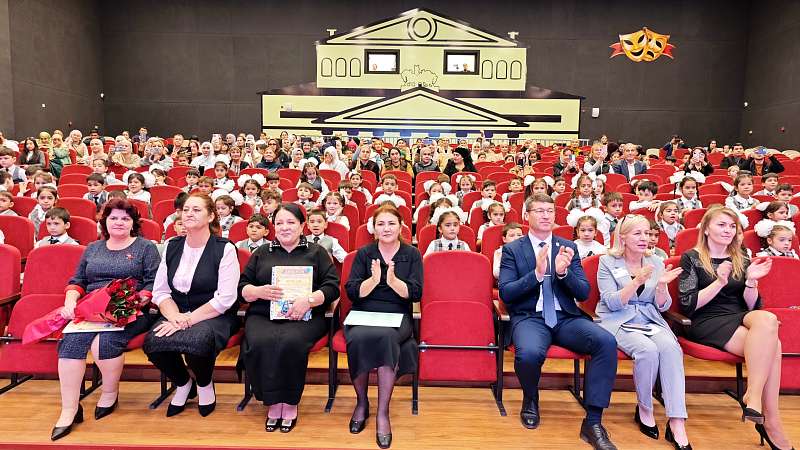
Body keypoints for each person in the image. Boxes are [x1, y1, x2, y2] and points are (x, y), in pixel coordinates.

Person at [498, 193, 618, 450]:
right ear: (526, 216)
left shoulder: (568, 247)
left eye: (550, 211)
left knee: (605, 342)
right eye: (539, 210)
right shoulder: (512, 250)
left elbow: (583, 293)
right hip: (530, 316)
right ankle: (530, 397)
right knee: (528, 353)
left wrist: (563, 273)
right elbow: (506, 293)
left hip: (565, 317)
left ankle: (593, 421)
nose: (545, 215)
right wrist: (537, 275)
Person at [679, 206, 792, 450]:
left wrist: (751, 281)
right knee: (775, 344)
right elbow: (689, 305)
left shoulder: (741, 254)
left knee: (767, 319)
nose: (728, 230)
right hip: (707, 320)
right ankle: (771, 422)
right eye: (722, 225)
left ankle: (753, 395)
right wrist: (719, 281)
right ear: (706, 228)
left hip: (740, 315)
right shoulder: (692, 257)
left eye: (733, 226)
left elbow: (752, 305)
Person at [51, 199, 160, 441]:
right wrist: (70, 303)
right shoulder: (93, 248)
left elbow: (155, 281)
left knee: (105, 343)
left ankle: (109, 393)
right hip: (91, 309)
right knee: (70, 345)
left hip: (131, 310)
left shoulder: (145, 247)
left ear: (133, 223)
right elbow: (77, 281)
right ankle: (69, 409)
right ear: (105, 222)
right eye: (113, 218)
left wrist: (141, 299)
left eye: (125, 218)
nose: (119, 222)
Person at [238, 203, 339, 432]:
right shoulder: (262, 252)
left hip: (305, 315)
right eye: (279, 223)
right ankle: (273, 400)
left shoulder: (317, 252)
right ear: (273, 227)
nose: (285, 227)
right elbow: (242, 286)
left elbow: (332, 287)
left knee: (290, 342)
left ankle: (290, 401)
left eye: (291, 222)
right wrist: (256, 291)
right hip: (264, 314)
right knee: (261, 341)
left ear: (302, 225)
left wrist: (310, 300)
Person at [595, 214, 691, 449]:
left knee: (671, 348)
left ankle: (677, 421)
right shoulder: (607, 262)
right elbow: (612, 303)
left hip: (648, 318)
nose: (644, 238)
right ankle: (645, 409)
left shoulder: (656, 261)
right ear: (623, 237)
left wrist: (661, 285)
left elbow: (663, 306)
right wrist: (635, 281)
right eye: (638, 233)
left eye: (647, 233)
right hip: (616, 319)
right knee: (647, 350)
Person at [143, 193, 240, 418]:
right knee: (153, 342)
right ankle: (184, 383)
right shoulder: (172, 246)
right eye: (186, 209)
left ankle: (205, 384)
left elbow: (225, 298)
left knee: (197, 340)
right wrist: (175, 317)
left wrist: (187, 320)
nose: (189, 213)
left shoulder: (224, 248)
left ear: (211, 216)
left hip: (214, 314)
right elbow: (161, 291)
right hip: (176, 312)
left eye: (196, 210)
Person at [344, 204, 423, 449]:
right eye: (381, 224)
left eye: (391, 223)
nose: (386, 228)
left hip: (397, 315)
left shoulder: (412, 254)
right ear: (373, 228)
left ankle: (382, 413)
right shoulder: (365, 253)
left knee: (386, 338)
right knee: (356, 338)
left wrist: (393, 281)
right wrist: (374, 280)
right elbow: (353, 291)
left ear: (400, 227)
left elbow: (416, 293)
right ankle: (361, 402)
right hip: (364, 312)